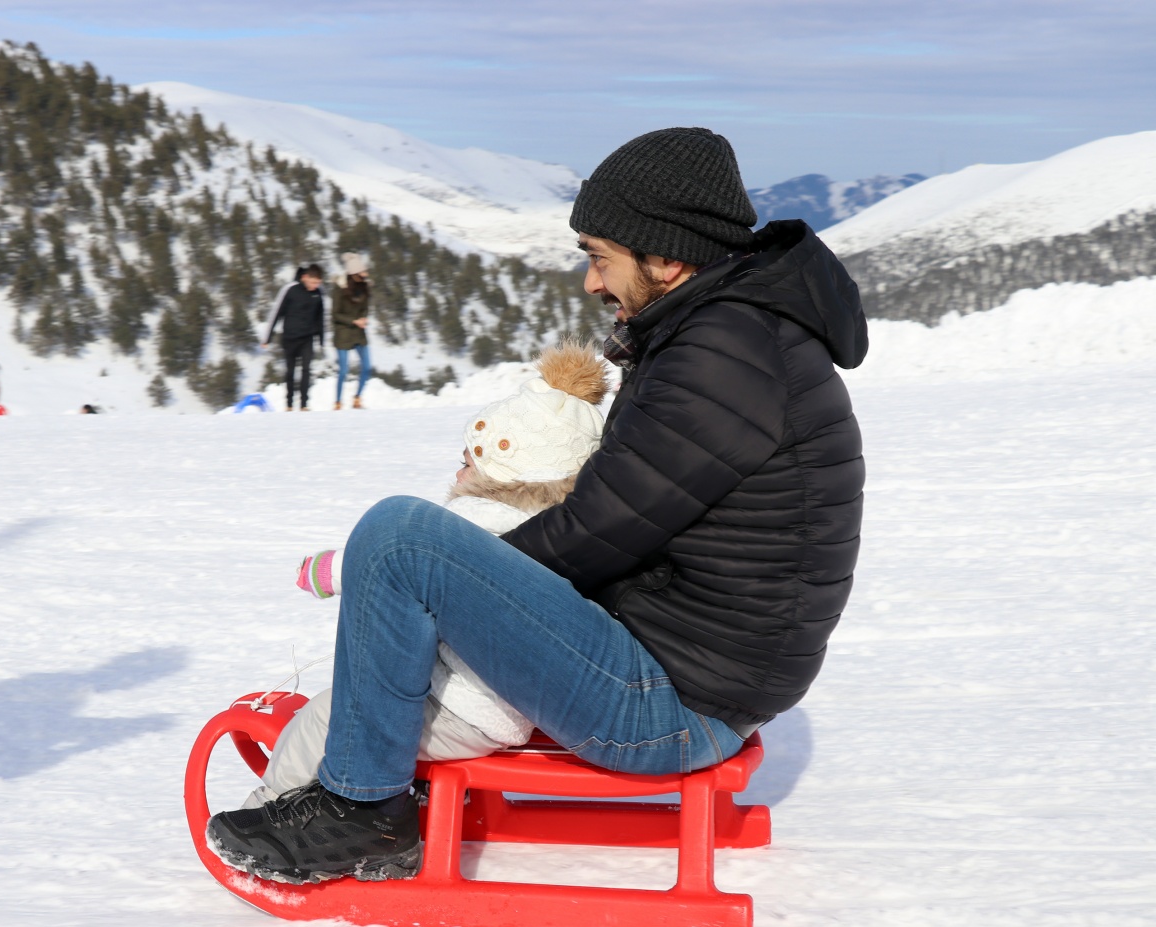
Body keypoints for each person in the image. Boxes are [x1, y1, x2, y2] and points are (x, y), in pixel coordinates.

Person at [206, 127, 868, 886]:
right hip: (692, 676)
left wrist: (453, 594)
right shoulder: (731, 333)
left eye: (600, 256)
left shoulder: (722, 357)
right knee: (424, 555)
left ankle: (361, 813)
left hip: (668, 708)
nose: (591, 282)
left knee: (399, 539)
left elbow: (593, 531)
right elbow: (620, 515)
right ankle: (370, 775)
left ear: (669, 257)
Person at [239, 342, 609, 818]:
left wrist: (331, 569)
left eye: (468, 460)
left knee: (329, 717)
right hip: (507, 705)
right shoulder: (560, 525)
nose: (458, 471)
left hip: (462, 707)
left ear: (503, 468)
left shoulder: (480, 521)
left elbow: (401, 566)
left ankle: (264, 813)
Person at [262, 264, 325, 412]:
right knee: (290, 372)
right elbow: (276, 313)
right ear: (305, 278)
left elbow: (320, 317)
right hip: (290, 338)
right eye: (313, 282)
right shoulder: (290, 290)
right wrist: (267, 338)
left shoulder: (318, 293)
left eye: (318, 283)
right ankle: (289, 405)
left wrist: (321, 339)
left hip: (307, 339)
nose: (315, 286)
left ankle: (304, 404)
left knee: (306, 370)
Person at [330, 252, 373, 410]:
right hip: (343, 334)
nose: (366, 274)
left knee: (367, 367)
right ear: (354, 274)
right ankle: (338, 402)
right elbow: (335, 314)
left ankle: (357, 398)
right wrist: (353, 321)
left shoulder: (365, 287)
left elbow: (365, 309)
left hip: (359, 334)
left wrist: (363, 318)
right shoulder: (339, 289)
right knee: (343, 371)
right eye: (363, 272)